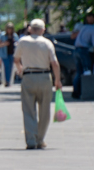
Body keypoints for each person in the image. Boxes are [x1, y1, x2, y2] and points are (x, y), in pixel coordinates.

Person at [13, 19, 62, 150]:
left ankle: (31, 140)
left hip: (28, 76)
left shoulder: (23, 41)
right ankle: (40, 139)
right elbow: (54, 63)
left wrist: (20, 69)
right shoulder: (47, 43)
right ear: (43, 30)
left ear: (30, 29)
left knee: (28, 110)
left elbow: (16, 59)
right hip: (45, 76)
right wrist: (58, 80)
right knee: (45, 111)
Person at [72, 13, 94, 99]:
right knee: (87, 71)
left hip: (76, 50)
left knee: (79, 72)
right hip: (84, 50)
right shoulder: (93, 28)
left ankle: (76, 92)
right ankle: (87, 92)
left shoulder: (83, 27)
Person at [0, 22, 19, 87]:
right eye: (8, 28)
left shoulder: (15, 35)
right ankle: (7, 81)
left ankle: (9, 81)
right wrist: (4, 44)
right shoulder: (2, 35)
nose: (9, 30)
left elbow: (18, 43)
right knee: (6, 67)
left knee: (11, 67)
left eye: (11, 29)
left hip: (12, 53)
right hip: (4, 54)